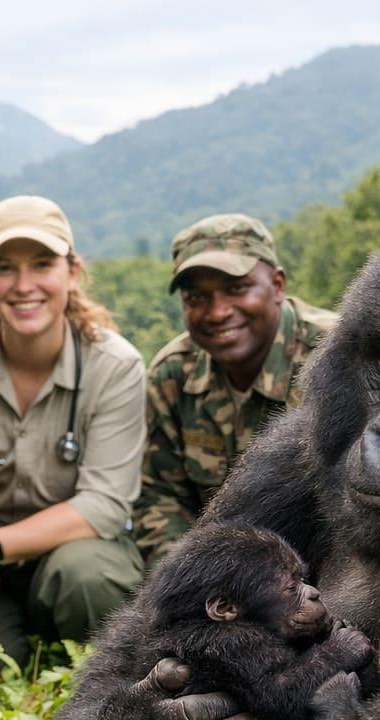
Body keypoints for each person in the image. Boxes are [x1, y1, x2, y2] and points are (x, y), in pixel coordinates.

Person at [0, 196, 146, 662]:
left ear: (72, 272)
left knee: (91, 577)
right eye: (4, 268)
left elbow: (104, 504)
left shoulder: (115, 366)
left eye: (42, 264)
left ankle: (101, 673)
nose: (23, 286)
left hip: (69, 553)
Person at [133, 214, 338, 566]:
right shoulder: (173, 374)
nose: (217, 312)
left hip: (322, 565)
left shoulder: (334, 355)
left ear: (277, 285)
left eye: (236, 289)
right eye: (197, 297)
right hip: (217, 570)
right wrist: (189, 575)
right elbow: (160, 498)